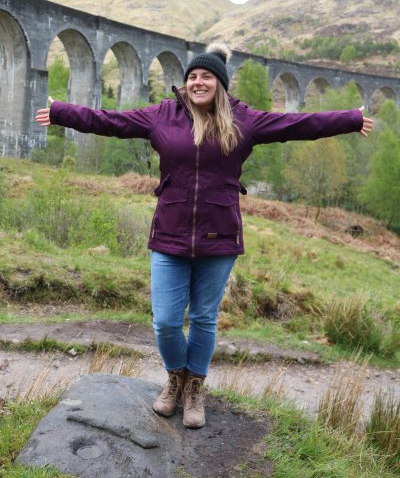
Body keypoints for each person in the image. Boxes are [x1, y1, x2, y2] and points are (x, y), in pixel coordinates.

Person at [35, 43, 373, 429]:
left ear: (220, 84)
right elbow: (112, 121)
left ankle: (195, 386)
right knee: (164, 321)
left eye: (206, 76)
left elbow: (297, 126)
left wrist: (349, 119)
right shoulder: (163, 115)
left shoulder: (245, 121)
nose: (198, 82)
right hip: (170, 233)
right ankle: (176, 376)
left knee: (203, 318)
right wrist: (63, 112)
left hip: (219, 235)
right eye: (193, 76)